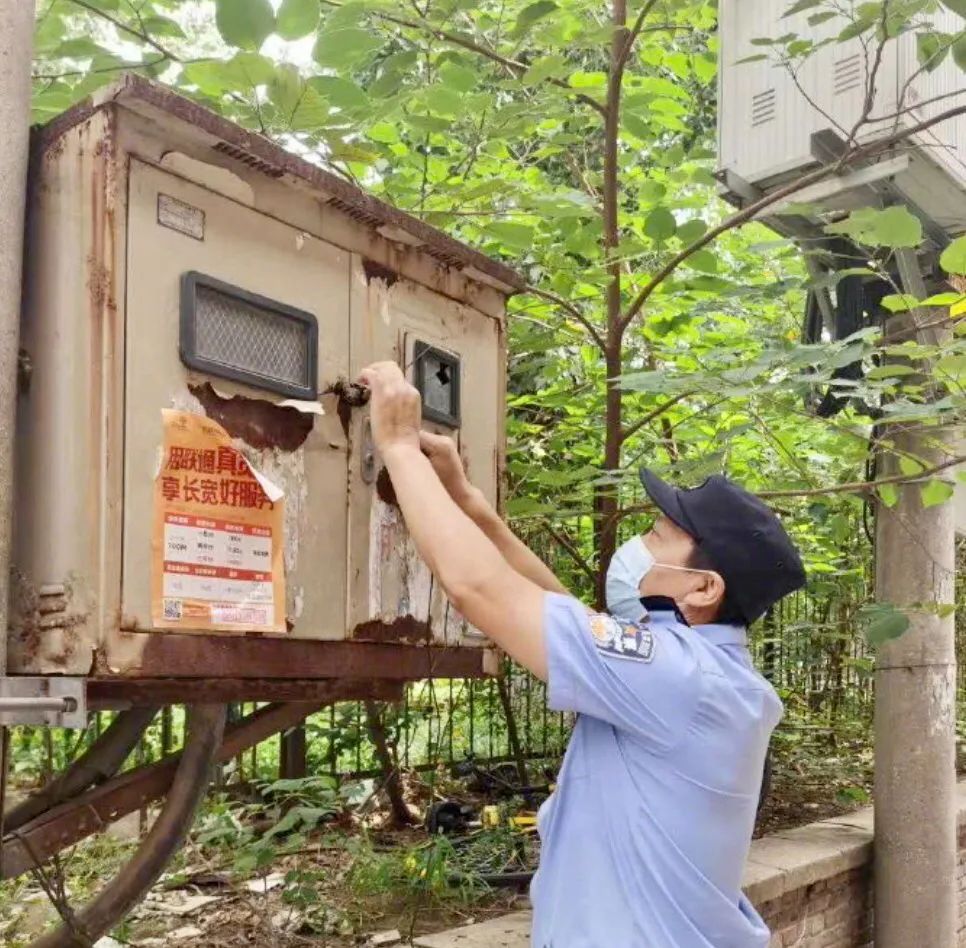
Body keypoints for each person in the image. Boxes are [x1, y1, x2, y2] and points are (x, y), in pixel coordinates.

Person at [358, 362, 806, 948]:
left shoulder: (679, 676)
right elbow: (561, 611)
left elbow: (483, 590)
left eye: (659, 534)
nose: (640, 542)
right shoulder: (700, 674)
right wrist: (470, 504)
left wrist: (397, 446)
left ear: (703, 588)